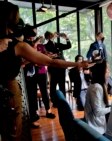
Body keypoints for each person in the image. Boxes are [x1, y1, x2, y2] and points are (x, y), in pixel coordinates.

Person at [0, 2, 92, 140]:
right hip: (9, 91)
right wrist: (78, 64)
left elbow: (52, 58)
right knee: (13, 131)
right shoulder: (18, 45)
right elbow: (51, 62)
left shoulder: (17, 45)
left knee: (11, 131)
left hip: (11, 91)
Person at [44, 31, 71, 105]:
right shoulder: (46, 46)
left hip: (62, 67)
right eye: (51, 35)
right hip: (53, 68)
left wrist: (67, 38)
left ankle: (63, 101)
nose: (54, 35)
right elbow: (48, 51)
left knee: (62, 85)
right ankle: (54, 101)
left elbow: (68, 46)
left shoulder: (57, 44)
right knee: (53, 85)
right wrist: (53, 37)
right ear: (48, 37)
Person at [84, 60, 111, 134]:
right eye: (107, 69)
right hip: (95, 128)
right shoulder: (96, 87)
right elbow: (98, 112)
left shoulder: (97, 85)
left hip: (96, 124)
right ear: (101, 72)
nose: (109, 71)